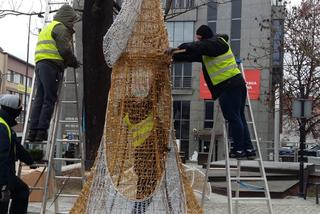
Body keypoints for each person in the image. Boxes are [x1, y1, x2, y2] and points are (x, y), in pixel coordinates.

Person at [166, 25, 256, 159]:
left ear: (205, 37)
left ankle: (238, 150)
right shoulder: (208, 49)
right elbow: (191, 55)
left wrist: (180, 46)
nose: (197, 41)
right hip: (236, 84)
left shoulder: (218, 43)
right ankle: (248, 149)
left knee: (233, 117)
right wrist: (173, 55)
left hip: (228, 85)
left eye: (199, 38)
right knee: (239, 117)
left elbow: (199, 47)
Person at [27, 4, 80, 142]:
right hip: (51, 66)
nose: (73, 24)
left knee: (40, 98)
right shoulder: (61, 28)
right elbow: (64, 50)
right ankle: (42, 132)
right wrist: (74, 62)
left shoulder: (48, 27)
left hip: (40, 64)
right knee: (49, 99)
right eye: (73, 21)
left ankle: (32, 131)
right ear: (68, 18)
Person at [0, 94, 35, 213]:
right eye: (19, 109)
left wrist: (30, 161)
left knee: (22, 191)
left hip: (5, 175)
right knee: (4, 203)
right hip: (2, 177)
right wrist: (3, 186)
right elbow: (1, 158)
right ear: (12, 110)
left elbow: (18, 148)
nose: (20, 112)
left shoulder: (5, 125)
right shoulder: (2, 128)